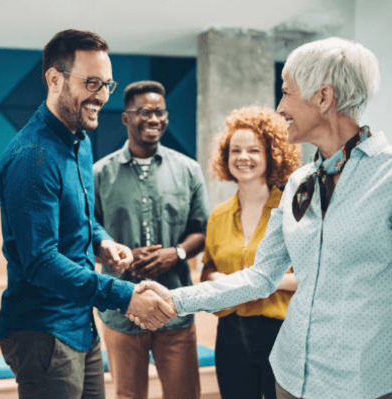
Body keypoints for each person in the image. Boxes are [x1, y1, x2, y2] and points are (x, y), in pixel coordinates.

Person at [132, 37, 392, 399]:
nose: (280, 107)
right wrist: (177, 299)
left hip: (364, 383)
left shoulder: (388, 177)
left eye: (286, 93)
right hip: (289, 375)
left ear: (323, 97)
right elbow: (261, 276)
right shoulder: (301, 182)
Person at [0, 30, 175, 399]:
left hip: (79, 321)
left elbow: (80, 219)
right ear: (54, 79)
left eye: (107, 84)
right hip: (43, 331)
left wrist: (103, 242)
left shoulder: (80, 141)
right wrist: (124, 295)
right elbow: (41, 262)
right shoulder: (33, 156)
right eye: (92, 83)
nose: (103, 96)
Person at [93, 80, 210, 399]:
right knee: (128, 396)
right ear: (125, 117)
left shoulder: (188, 170)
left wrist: (177, 253)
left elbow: (202, 229)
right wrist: (118, 255)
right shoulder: (99, 173)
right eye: (144, 112)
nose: (154, 119)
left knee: (184, 395)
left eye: (160, 112)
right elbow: (87, 232)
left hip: (175, 308)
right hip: (121, 309)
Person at [200, 106, 299, 399]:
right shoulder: (218, 215)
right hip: (230, 332)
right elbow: (207, 272)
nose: (243, 158)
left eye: (254, 150)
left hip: (280, 331)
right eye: (235, 150)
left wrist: (258, 282)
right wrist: (231, 281)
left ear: (272, 155)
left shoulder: (293, 209)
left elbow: (311, 276)